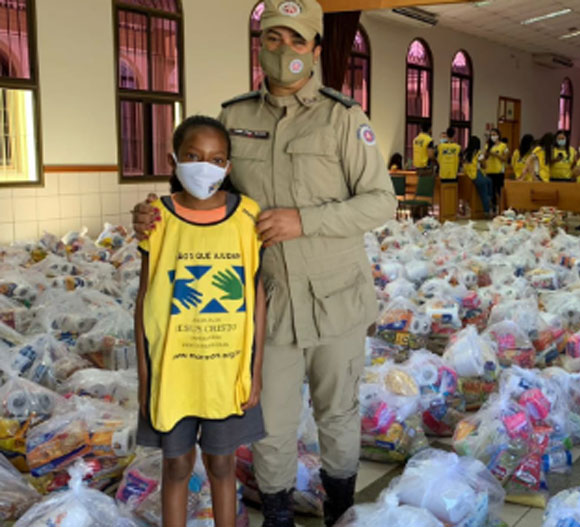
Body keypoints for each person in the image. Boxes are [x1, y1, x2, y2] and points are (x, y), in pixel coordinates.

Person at [132, 2, 397, 526]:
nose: (284, 51)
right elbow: (208, 193)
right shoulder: (234, 118)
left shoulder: (344, 119)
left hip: (335, 297)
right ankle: (277, 514)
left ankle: (340, 510)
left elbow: (380, 203)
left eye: (297, 41)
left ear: (316, 50)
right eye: (273, 38)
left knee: (337, 415)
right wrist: (154, 212)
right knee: (270, 422)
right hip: (265, 299)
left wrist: (306, 220)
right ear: (260, 45)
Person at [135, 116, 267, 527]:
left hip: (225, 372)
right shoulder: (157, 219)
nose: (204, 166)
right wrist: (144, 378)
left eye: (216, 159)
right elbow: (144, 301)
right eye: (193, 156)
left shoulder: (247, 217)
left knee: (223, 467)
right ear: (173, 159)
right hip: (174, 373)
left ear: (228, 167)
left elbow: (256, 296)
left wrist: (255, 371)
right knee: (175, 469)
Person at [463, 135, 493, 217]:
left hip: (467, 175)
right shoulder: (478, 153)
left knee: (489, 181)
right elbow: (484, 165)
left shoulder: (465, 153)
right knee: (484, 193)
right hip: (476, 174)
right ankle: (487, 210)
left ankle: (489, 200)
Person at [482, 129, 509, 211]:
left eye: (494, 134)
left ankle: (502, 208)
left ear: (498, 135)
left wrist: (496, 155)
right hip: (489, 171)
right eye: (491, 135)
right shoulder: (488, 145)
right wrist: (487, 153)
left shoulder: (503, 146)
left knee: (499, 191)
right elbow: (484, 157)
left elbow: (505, 158)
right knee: (491, 191)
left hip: (499, 171)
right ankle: (493, 208)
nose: (493, 136)